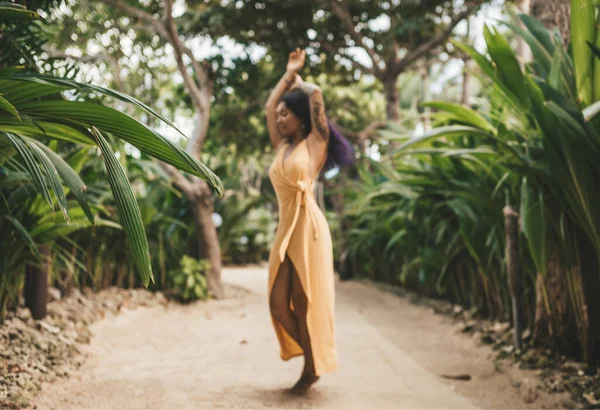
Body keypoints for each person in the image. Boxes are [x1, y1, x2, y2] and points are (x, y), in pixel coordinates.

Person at [265, 48, 354, 394]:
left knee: (304, 302)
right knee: (277, 301)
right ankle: (310, 351)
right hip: (285, 228)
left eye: (287, 114)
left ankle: (310, 368)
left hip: (309, 228)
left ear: (301, 118)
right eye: (281, 115)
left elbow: (317, 99)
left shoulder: (316, 143)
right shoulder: (281, 146)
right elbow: (269, 107)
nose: (281, 117)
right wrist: (288, 75)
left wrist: (305, 82)